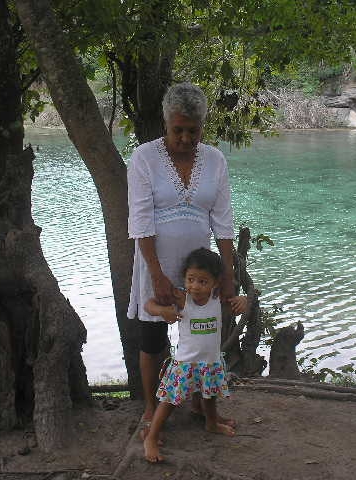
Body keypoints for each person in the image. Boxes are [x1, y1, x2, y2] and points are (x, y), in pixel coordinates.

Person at [127, 82, 237, 440]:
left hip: (200, 270)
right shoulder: (144, 158)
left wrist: (228, 273)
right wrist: (156, 274)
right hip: (154, 260)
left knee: (200, 334)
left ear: (202, 126)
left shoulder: (216, 160)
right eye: (178, 130)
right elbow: (141, 220)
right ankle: (151, 406)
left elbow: (222, 220)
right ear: (165, 124)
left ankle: (196, 403)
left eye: (193, 130)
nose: (186, 138)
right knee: (153, 335)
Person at [142, 248, 246, 463]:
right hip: (185, 363)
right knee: (170, 400)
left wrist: (244, 301)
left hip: (210, 361)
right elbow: (149, 304)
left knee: (209, 394)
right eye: (191, 279)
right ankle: (151, 437)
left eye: (202, 281)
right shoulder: (182, 298)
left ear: (215, 282)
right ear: (184, 278)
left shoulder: (218, 299)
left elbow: (240, 303)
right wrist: (162, 311)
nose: (195, 286)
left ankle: (211, 422)